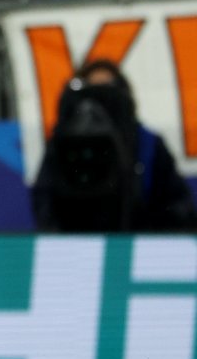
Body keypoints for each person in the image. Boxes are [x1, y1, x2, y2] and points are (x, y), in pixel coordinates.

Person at [33, 59, 197, 232]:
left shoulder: (147, 143)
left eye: (107, 93)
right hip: (76, 244)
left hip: (136, 243)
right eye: (92, 93)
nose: (98, 105)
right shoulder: (63, 144)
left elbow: (176, 203)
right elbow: (45, 198)